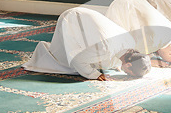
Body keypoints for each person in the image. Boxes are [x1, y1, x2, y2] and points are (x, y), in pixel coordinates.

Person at [23, 7, 151, 80]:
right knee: (67, 63)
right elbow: (76, 60)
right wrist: (95, 75)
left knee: (95, 59)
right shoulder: (106, 49)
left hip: (84, 15)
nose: (125, 73)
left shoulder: (130, 43)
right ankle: (45, 51)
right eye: (128, 73)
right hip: (71, 19)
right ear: (128, 64)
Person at [106, 0, 171, 66]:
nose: (166, 61)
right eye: (169, 61)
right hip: (122, 7)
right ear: (170, 54)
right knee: (113, 58)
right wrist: (151, 61)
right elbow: (130, 56)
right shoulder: (154, 43)